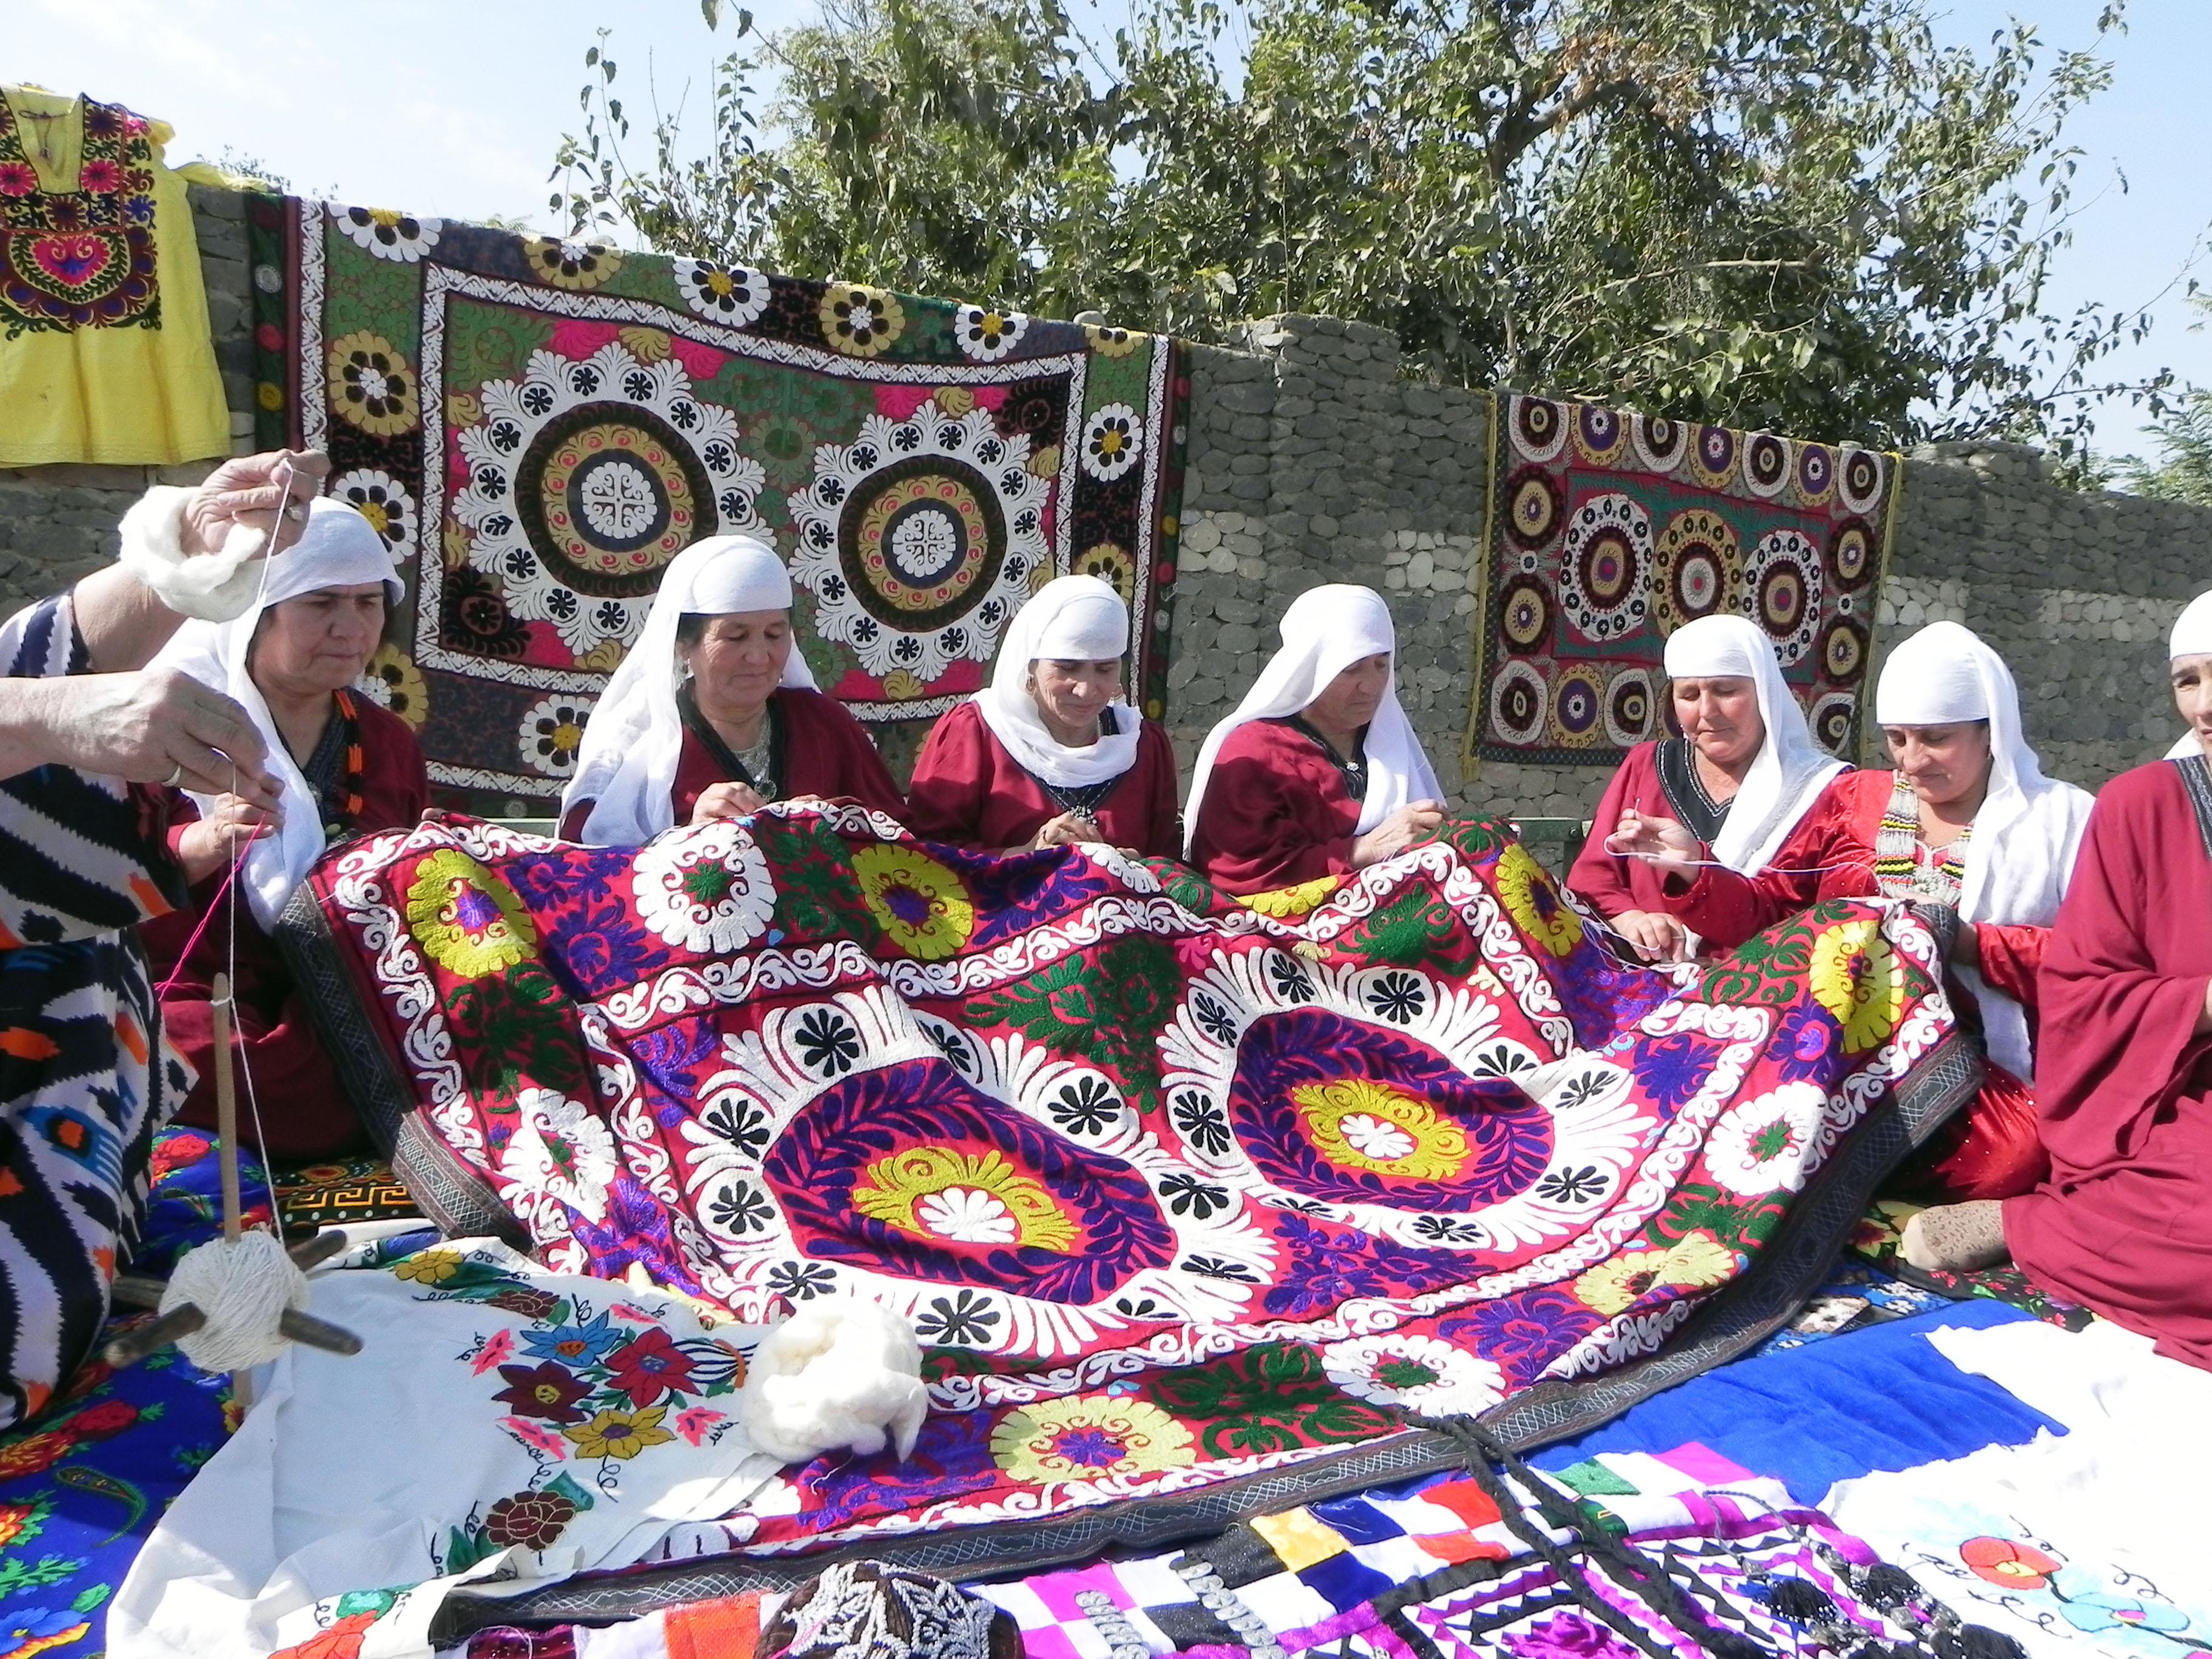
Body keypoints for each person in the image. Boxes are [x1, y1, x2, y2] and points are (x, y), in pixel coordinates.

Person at [0, 447, 319, 1428]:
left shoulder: (374, 730)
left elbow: (31, 662)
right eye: (322, 607)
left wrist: (185, 558)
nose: (347, 631)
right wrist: (51, 720)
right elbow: (41, 701)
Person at [1608, 621, 2094, 1201]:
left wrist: (1958, 941)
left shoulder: (2064, 821)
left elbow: (2094, 963)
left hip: (1970, 1057)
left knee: (2011, 1159)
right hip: (1829, 1041)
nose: (1912, 760)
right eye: (1897, 738)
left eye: (1935, 738)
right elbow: (1769, 915)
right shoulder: (1858, 801)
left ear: (1992, 731)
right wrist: (1695, 866)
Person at [1910, 594, 2212, 1364]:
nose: (2205, 705)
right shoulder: (2145, 806)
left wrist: (1972, 942)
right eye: (2188, 681)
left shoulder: (2060, 814)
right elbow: (2082, 984)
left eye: (1934, 738)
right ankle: (2033, 1227)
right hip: (2179, 1088)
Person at [140, 499, 425, 1160]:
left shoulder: (384, 743)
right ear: (255, 614)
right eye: (321, 603)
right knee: (188, 1056)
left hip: (342, 987)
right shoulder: (170, 726)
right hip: (190, 987)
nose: (350, 628)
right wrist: (204, 846)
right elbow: (109, 871)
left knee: (440, 1048)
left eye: (367, 604)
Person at [561, 536, 903, 843]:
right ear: (683, 644)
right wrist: (688, 837)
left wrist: (833, 819)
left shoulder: (824, 724)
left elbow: (902, 838)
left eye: (774, 634)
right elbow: (583, 862)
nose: (758, 657)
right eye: (735, 636)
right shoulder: (636, 744)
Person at [1569, 615, 1845, 963]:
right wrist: (1632, 919)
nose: (1707, 711)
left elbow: (1826, 919)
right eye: (1688, 695)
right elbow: (1594, 875)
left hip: (1758, 991)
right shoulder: (1648, 765)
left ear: (1765, 692)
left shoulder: (1820, 791)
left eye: (1726, 691)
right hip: (1640, 976)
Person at [1185, 585, 1446, 896]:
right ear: (1313, 667)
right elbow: (1236, 875)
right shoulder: (1255, 753)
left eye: (1381, 665)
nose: (1372, 686)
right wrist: (1363, 850)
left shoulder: (1394, 745)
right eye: (1351, 669)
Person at [903, 575, 1179, 857]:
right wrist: (1025, 854)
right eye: (1067, 667)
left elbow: (1170, 864)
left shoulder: (1143, 747)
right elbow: (926, 857)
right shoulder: (975, 734)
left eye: (1105, 669)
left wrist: (1134, 869)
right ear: (1030, 667)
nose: (1085, 691)